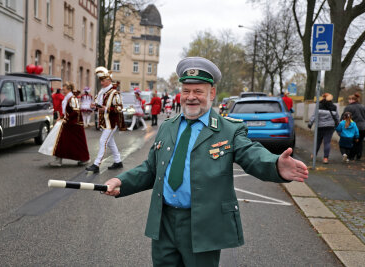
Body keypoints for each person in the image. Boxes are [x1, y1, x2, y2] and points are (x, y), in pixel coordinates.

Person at [102, 57, 308, 267]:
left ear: (211, 93)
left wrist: (275, 165)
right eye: (186, 90)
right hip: (164, 224)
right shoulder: (168, 127)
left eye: (198, 91)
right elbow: (151, 169)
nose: (191, 97)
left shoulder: (229, 129)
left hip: (202, 225)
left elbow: (251, 153)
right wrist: (121, 182)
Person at [85, 67, 126, 174]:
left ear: (109, 80)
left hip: (111, 123)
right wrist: (94, 106)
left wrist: (106, 109)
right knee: (110, 142)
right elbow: (98, 106)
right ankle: (118, 161)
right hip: (104, 122)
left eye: (103, 81)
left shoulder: (114, 93)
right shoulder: (101, 92)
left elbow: (119, 108)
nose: (101, 83)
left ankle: (97, 164)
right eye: (101, 81)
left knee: (103, 141)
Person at [45, 82, 90, 167]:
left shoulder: (72, 99)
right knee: (61, 141)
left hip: (74, 125)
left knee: (75, 143)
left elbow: (76, 112)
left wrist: (65, 118)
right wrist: (61, 117)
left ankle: (84, 158)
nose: (63, 91)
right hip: (69, 123)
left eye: (64, 89)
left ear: (69, 89)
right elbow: (67, 111)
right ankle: (58, 160)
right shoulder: (68, 98)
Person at [308, 93, 339, 164]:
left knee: (318, 142)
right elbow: (337, 117)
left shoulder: (319, 105)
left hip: (320, 127)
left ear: (323, 97)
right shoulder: (334, 107)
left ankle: (314, 155)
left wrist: (310, 124)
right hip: (330, 127)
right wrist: (337, 125)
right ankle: (325, 158)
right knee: (327, 142)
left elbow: (314, 116)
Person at [341, 93, 365, 160]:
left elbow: (344, 117)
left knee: (352, 142)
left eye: (349, 99)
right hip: (363, 127)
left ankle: (351, 156)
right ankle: (359, 155)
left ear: (351, 100)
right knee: (360, 141)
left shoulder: (348, 107)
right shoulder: (363, 107)